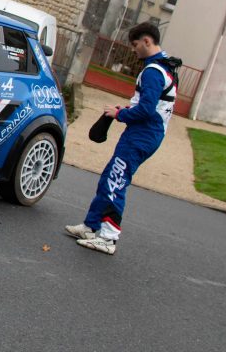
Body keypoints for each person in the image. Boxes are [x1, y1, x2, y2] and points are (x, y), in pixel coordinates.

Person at [65, 22, 179, 255]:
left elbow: (146, 110)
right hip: (146, 133)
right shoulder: (164, 67)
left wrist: (120, 114)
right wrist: (125, 109)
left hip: (142, 135)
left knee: (115, 182)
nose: (134, 50)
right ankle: (91, 226)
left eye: (136, 45)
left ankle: (108, 237)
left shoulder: (153, 71)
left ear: (147, 41)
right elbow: (151, 105)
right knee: (109, 177)